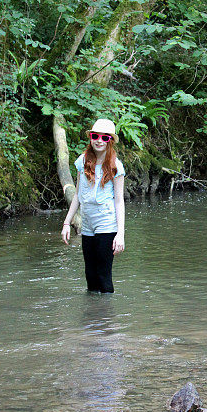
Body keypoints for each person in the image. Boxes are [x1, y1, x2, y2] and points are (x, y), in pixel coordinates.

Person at [61, 119, 126, 293]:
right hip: (88, 223)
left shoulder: (116, 166)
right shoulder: (82, 162)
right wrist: (67, 223)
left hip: (107, 222)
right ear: (90, 137)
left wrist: (120, 234)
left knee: (103, 275)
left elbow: (119, 201)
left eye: (104, 137)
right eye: (95, 136)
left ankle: (107, 318)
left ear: (110, 141)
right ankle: (91, 317)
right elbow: (77, 195)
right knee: (90, 275)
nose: (98, 140)